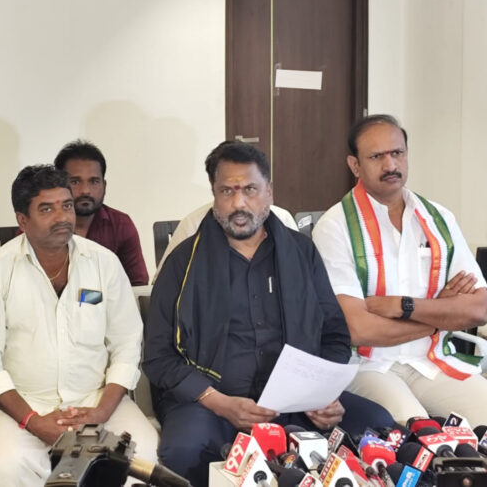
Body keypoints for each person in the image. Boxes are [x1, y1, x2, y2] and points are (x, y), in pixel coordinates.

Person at [143, 141, 394, 487]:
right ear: (214, 195)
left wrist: (323, 395)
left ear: (269, 192)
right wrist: (218, 402)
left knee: (378, 425)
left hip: (296, 404)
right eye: (227, 191)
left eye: (250, 189)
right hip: (212, 403)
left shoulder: (301, 252)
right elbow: (158, 356)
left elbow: (334, 334)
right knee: (184, 449)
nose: (238, 203)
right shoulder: (183, 263)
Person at [0, 164, 158, 487]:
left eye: (66, 206)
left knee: (142, 457)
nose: (62, 217)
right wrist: (33, 421)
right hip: (22, 407)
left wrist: (101, 412)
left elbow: (127, 346)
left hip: (97, 400)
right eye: (47, 209)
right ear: (22, 220)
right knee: (7, 467)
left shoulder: (104, 263)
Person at [312, 114, 487, 424]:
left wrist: (402, 306)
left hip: (433, 361)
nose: (390, 165)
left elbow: (479, 308)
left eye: (397, 153)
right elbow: (359, 329)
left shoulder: (439, 219)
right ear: (355, 165)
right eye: (376, 156)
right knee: (416, 429)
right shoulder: (335, 227)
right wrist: (440, 315)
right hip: (369, 367)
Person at [54, 140, 149, 285]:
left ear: (104, 185)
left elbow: (137, 286)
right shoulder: (42, 225)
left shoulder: (121, 225)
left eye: (94, 181)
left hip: (110, 300)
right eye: (75, 181)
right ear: (58, 185)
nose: (85, 190)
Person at [153, 202, 298, 281]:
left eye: (249, 187)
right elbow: (164, 284)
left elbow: (300, 280)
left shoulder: (282, 219)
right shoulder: (193, 224)